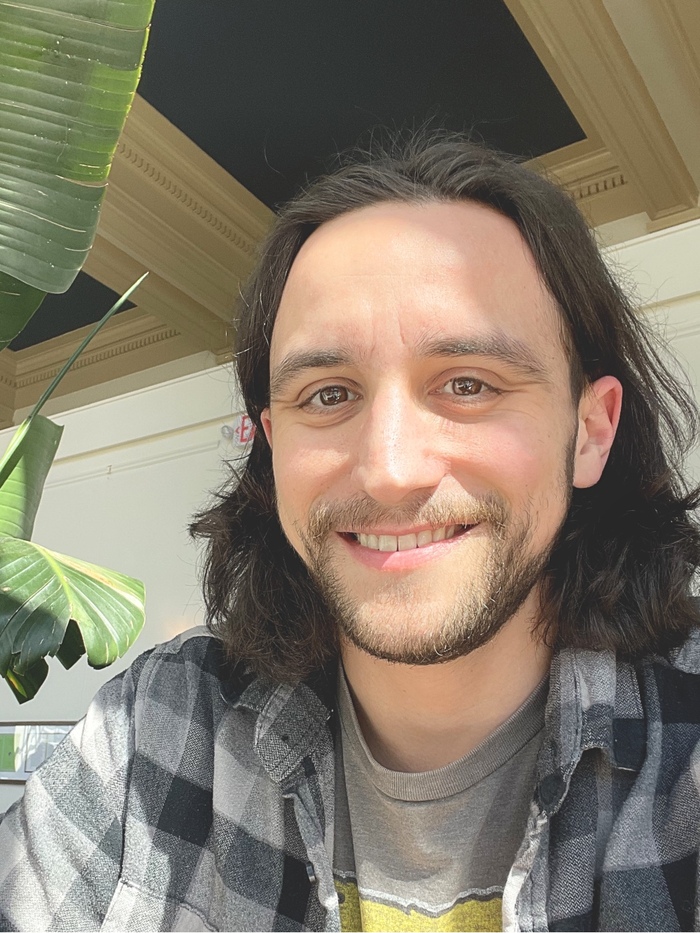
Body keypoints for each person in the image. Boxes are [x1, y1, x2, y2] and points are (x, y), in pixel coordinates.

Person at [2, 133, 700, 933]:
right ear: (273, 446)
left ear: (591, 430)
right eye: (329, 395)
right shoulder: (158, 726)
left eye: (468, 383)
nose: (389, 470)